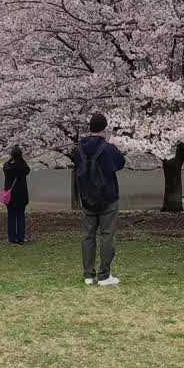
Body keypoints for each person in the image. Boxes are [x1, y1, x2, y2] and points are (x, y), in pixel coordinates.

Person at [75, 112, 125, 286]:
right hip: (108, 198)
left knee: (88, 236)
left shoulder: (79, 148)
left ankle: (88, 275)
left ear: (90, 128)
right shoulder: (108, 149)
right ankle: (104, 275)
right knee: (107, 235)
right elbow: (120, 163)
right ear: (104, 129)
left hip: (87, 198)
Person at [2, 146, 31, 245]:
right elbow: (27, 169)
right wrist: (20, 159)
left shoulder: (7, 166)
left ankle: (12, 238)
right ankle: (20, 238)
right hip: (21, 196)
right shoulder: (22, 167)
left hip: (10, 197)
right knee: (20, 217)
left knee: (11, 217)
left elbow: (7, 165)